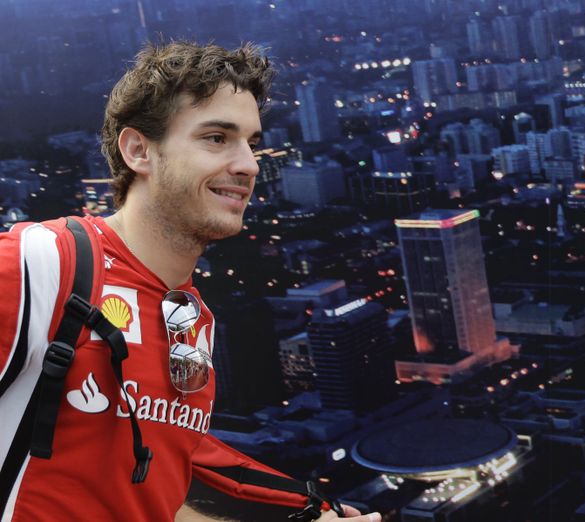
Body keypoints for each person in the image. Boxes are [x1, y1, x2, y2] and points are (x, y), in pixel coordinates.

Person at [0, 41, 380, 522]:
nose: (249, 164)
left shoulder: (192, 320)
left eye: (251, 142)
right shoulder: (38, 266)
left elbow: (151, 493)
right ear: (139, 150)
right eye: (216, 138)